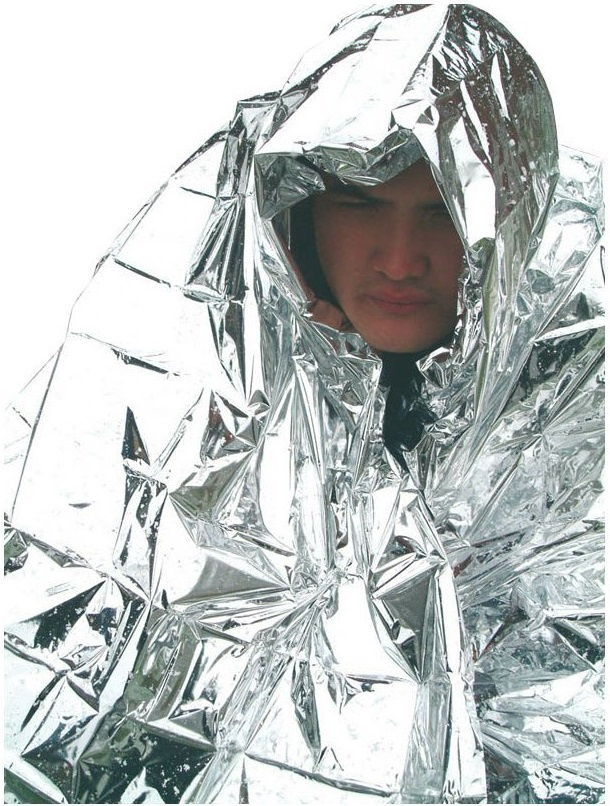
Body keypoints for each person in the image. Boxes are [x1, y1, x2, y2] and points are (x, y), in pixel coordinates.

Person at [4, 4, 604, 804]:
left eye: (442, 212)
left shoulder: (573, 415)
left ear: (509, 222)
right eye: (361, 203)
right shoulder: (182, 404)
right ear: (294, 208)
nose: (401, 260)